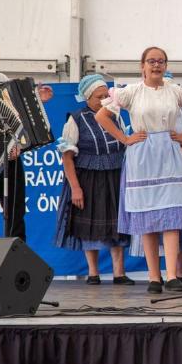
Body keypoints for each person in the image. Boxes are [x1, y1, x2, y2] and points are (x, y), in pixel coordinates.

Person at [95, 46, 182, 294]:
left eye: (161, 61)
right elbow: (102, 116)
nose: (156, 65)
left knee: (171, 215)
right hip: (143, 154)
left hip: (168, 153)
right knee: (147, 218)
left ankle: (171, 275)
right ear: (142, 66)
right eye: (151, 61)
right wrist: (124, 139)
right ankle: (154, 277)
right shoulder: (131, 92)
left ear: (166, 65)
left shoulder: (174, 91)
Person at [0, 34, 54, 241]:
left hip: (12, 158)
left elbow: (19, 113)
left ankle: (16, 262)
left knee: (16, 213)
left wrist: (37, 100)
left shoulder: (3, 80)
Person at [54, 74, 133, 285]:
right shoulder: (76, 118)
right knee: (89, 227)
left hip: (115, 173)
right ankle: (93, 273)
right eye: (99, 97)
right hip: (88, 176)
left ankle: (119, 273)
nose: (104, 100)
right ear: (87, 97)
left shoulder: (115, 116)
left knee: (119, 224)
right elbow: (67, 156)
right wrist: (76, 189)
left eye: (106, 96)